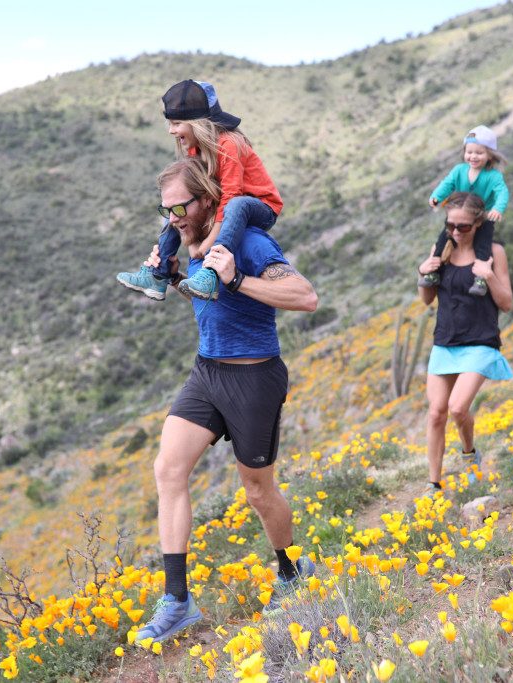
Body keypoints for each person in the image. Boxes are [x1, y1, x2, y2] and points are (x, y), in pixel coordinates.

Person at [133, 157, 318, 644]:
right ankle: (177, 601)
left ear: (207, 199)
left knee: (258, 491)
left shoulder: (250, 242)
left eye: (180, 207)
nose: (172, 217)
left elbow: (305, 296)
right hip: (207, 374)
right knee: (167, 469)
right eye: (165, 209)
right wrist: (173, 277)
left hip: (255, 378)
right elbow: (207, 301)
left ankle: (292, 570)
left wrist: (237, 278)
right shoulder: (191, 241)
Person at [117, 79, 283, 301]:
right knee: (176, 209)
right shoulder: (196, 151)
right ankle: (159, 274)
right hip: (228, 211)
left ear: (197, 123)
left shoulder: (229, 145)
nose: (170, 131)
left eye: (176, 123)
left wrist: (205, 246)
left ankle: (211, 274)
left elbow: (231, 197)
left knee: (237, 204)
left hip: (260, 208)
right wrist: (193, 244)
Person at [417, 192, 513, 495]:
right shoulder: (442, 248)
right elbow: (427, 300)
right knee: (436, 413)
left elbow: (507, 303)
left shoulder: (493, 253)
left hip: (480, 342)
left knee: (458, 408)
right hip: (445, 341)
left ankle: (470, 454)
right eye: (451, 226)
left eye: (463, 227)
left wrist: (489, 276)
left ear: (478, 223)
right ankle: (434, 483)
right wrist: (424, 273)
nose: (456, 232)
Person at [420, 125, 509, 297]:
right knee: (443, 239)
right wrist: (436, 197)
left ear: (490, 155)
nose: (473, 156)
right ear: (464, 152)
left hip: (483, 216)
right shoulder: (459, 170)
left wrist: (498, 208)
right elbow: (447, 184)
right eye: (469, 152)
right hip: (459, 214)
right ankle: (433, 272)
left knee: (483, 244)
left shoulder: (494, 176)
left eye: (479, 153)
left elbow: (502, 192)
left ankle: (480, 279)